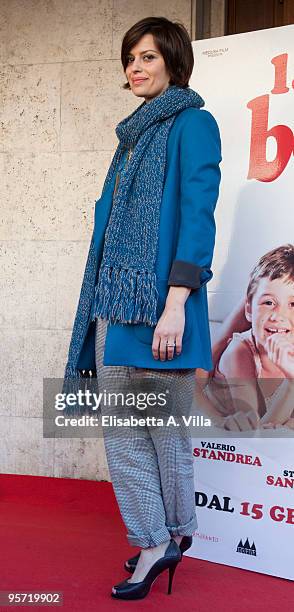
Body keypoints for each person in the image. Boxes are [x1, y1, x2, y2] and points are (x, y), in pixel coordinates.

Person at [63, 16, 222, 600]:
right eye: (131, 57)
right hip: (113, 311)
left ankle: (170, 537)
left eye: (149, 56)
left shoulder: (192, 125)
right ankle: (155, 541)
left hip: (161, 313)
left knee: (163, 436)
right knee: (125, 438)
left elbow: (198, 216)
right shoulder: (129, 140)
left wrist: (177, 303)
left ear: (174, 63)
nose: (136, 66)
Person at [198, 244, 294, 431]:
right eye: (269, 303)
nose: (278, 315)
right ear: (249, 308)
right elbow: (256, 431)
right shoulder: (239, 352)